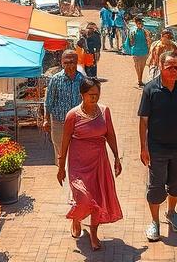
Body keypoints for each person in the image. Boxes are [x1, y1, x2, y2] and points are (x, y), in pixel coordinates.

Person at [138, 50, 177, 242]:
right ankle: (154, 222)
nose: (174, 70)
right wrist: (143, 147)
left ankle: (171, 212)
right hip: (157, 148)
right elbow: (144, 121)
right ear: (161, 67)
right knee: (156, 188)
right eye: (170, 67)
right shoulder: (150, 89)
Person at [57, 79, 123, 251]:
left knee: (97, 199)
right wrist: (60, 166)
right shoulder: (73, 115)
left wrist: (116, 157)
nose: (94, 98)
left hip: (99, 161)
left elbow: (110, 135)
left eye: (97, 94)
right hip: (78, 163)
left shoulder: (104, 111)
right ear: (82, 95)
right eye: (90, 95)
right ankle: (76, 218)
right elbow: (64, 142)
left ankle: (93, 233)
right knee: (83, 197)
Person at [43, 50, 86, 165]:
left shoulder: (83, 80)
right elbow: (48, 101)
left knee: (77, 152)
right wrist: (46, 119)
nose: (69, 65)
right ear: (62, 63)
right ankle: (62, 173)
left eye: (71, 62)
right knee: (61, 153)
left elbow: (87, 102)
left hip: (78, 123)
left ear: (76, 62)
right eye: (66, 62)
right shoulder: (55, 79)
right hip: (59, 123)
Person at [128, 15, 152, 87]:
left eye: (141, 23)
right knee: (137, 66)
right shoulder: (133, 31)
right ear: (136, 24)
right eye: (139, 23)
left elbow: (149, 41)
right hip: (136, 51)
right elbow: (131, 41)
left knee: (142, 66)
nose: (140, 25)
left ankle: (140, 79)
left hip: (144, 51)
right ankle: (139, 80)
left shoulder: (145, 31)